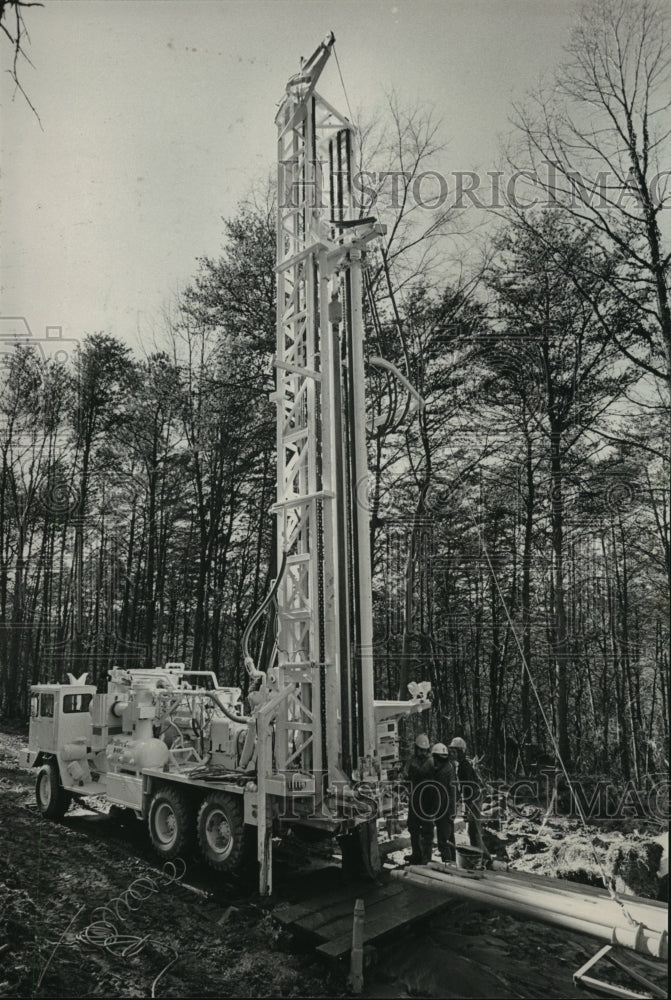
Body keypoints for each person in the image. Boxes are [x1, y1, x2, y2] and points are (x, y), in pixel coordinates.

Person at [449, 736, 490, 859]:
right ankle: (481, 857)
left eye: (455, 751)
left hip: (474, 798)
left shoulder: (463, 767)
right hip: (474, 797)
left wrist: (468, 808)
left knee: (474, 831)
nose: (453, 754)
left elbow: (468, 789)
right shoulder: (462, 765)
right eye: (452, 751)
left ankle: (484, 858)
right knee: (473, 831)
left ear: (461, 751)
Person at [404, 733, 434, 864]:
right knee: (413, 827)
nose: (421, 753)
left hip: (427, 801)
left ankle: (426, 858)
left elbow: (422, 773)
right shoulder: (413, 760)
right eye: (419, 750)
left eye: (424, 750)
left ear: (427, 750)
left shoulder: (431, 761)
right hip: (415, 800)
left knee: (427, 830)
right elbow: (409, 777)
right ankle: (416, 854)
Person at [430, 743, 457, 862]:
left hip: (444, 810)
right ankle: (453, 864)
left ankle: (448, 866)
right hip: (450, 809)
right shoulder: (449, 768)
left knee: (443, 841)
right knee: (450, 838)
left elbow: (439, 794)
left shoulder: (442, 772)